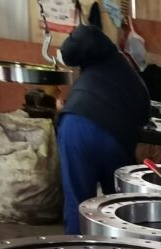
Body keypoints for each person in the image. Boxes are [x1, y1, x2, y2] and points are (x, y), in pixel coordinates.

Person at [56, 24, 150, 234]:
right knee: (116, 206)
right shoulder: (125, 69)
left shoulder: (90, 72)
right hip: (114, 138)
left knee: (78, 203)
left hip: (75, 128)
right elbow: (144, 115)